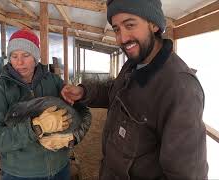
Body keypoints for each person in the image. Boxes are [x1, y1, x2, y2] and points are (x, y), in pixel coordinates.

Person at [61, 0, 208, 179]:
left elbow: (186, 174)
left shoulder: (180, 89)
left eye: (130, 25)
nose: (122, 39)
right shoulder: (134, 63)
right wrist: (84, 92)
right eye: (116, 29)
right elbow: (114, 92)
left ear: (154, 24)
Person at [0, 29, 91, 180]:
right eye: (14, 56)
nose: (19, 62)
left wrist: (72, 137)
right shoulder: (1, 88)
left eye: (26, 55)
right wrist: (36, 127)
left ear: (35, 57)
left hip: (60, 168)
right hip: (20, 174)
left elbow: (82, 112)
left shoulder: (53, 81)